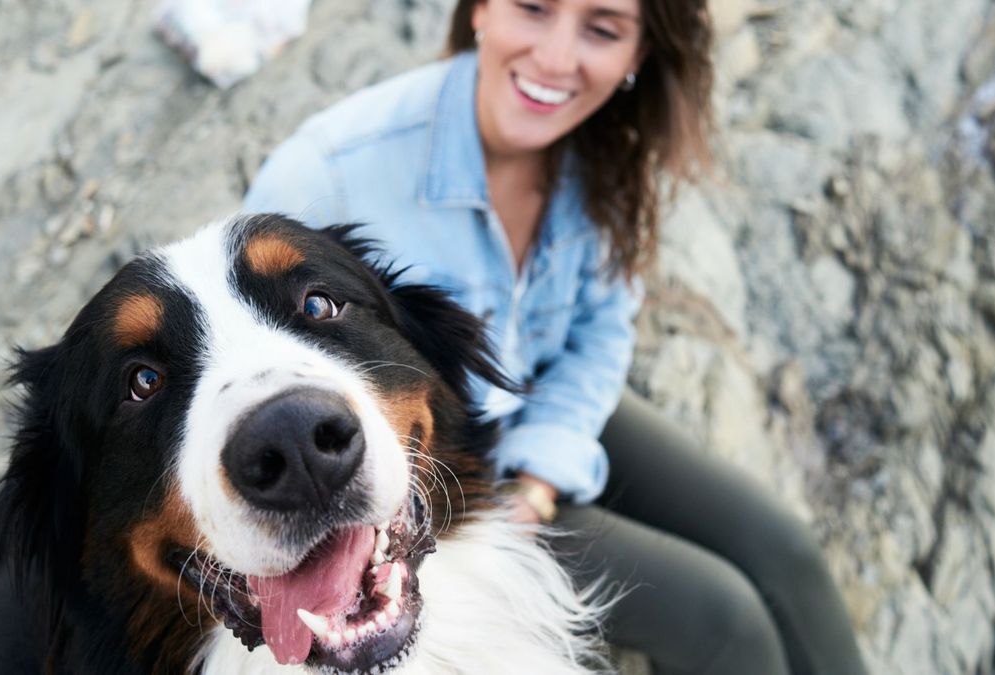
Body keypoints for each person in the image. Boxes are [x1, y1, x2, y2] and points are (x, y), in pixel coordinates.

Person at [243, 0, 870, 672]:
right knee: (726, 620)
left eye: (602, 29)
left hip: (543, 397)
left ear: (638, 56)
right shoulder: (328, 174)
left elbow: (601, 328)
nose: (555, 57)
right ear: (481, 8)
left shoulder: (606, 151)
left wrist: (545, 470)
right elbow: (263, 372)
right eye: (534, 7)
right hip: (433, 468)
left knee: (788, 551)